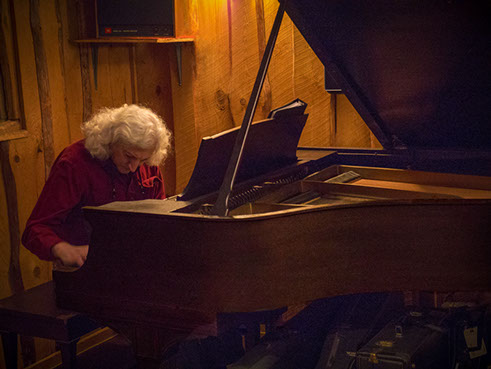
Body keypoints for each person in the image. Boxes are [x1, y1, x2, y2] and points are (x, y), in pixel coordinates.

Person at [22, 104, 172, 268]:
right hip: (89, 269)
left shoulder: (147, 161)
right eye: (128, 156)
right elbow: (36, 228)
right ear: (111, 141)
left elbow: (160, 220)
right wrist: (61, 248)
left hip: (139, 264)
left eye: (142, 161)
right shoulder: (74, 164)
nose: (134, 167)